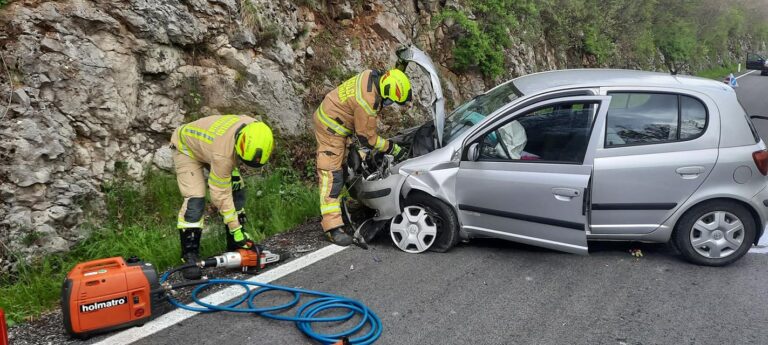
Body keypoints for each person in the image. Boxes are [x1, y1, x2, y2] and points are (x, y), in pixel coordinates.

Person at [313, 68, 412, 246]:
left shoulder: (371, 76)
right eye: (391, 100)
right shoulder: (368, 102)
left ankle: (342, 207)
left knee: (344, 169)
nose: (389, 103)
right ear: (387, 91)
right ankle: (332, 227)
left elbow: (350, 112)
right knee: (331, 175)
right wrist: (393, 148)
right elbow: (368, 138)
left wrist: (350, 145)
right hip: (330, 128)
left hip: (335, 119)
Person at [170, 115, 274, 279]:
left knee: (237, 189)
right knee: (195, 200)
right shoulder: (222, 155)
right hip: (186, 148)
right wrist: (235, 227)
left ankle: (234, 244)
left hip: (212, 146)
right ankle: (189, 255)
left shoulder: (255, 129)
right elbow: (219, 194)